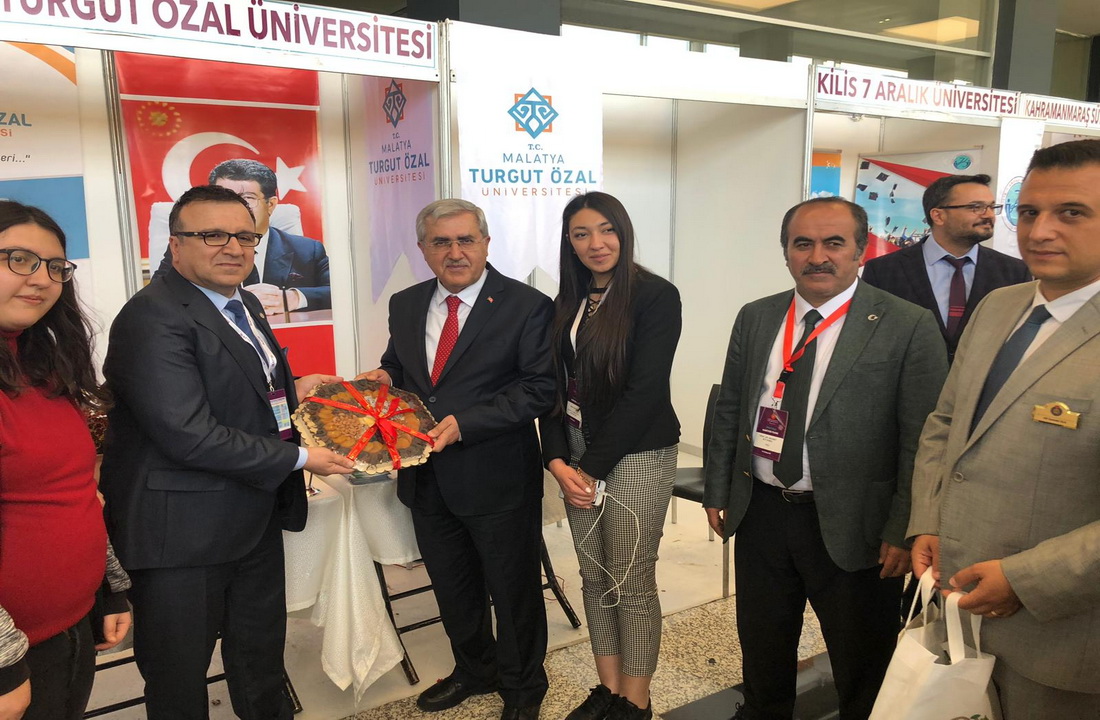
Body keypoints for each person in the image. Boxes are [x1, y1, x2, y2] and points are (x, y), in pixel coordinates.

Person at [100, 185, 354, 720]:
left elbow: (241, 389)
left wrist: (297, 388)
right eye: (212, 235)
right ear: (175, 245)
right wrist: (301, 459)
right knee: (179, 677)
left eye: (245, 236)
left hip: (251, 511)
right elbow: (187, 432)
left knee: (259, 656)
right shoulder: (152, 316)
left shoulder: (244, 302)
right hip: (180, 533)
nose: (233, 248)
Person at [702, 197, 948, 720]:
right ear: (786, 253)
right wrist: (719, 489)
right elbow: (732, 408)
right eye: (803, 244)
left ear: (861, 251)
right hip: (762, 511)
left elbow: (924, 439)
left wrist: (905, 526)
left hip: (857, 523)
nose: (818, 256)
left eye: (834, 243)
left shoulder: (907, 324)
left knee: (862, 661)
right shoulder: (757, 316)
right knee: (763, 647)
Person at [908, 139, 1100, 718]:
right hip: (957, 610)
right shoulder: (998, 306)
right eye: (1030, 212)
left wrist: (1025, 579)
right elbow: (946, 423)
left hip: (1061, 640)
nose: (1040, 231)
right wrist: (928, 519)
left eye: (1072, 213)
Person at [358, 199, 554, 720]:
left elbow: (539, 389)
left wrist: (467, 423)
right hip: (427, 478)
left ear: (486, 243)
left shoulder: (527, 305)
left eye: (466, 239)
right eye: (441, 242)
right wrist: (384, 379)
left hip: (497, 476)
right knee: (452, 587)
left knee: (512, 592)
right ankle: (474, 669)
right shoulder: (405, 303)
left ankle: (523, 688)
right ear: (423, 249)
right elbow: (400, 366)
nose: (455, 252)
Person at [540, 193, 681, 720]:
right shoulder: (566, 301)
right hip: (577, 453)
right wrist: (557, 461)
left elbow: (645, 392)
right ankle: (608, 689)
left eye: (606, 230)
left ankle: (634, 702)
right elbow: (551, 389)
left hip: (637, 452)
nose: (595, 244)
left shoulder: (654, 296)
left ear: (623, 231)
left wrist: (588, 469)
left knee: (630, 579)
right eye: (581, 234)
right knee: (595, 574)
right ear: (569, 242)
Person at [0, 201, 131, 720]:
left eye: (55, 266)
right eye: (19, 259)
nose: (42, 279)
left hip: (67, 630)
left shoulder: (40, 366)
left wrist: (107, 589)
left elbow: (72, 491)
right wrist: (4, 665)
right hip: (14, 655)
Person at [861, 173, 1030, 363]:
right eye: (976, 207)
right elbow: (870, 339)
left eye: (991, 207)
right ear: (938, 216)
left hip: (980, 380)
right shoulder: (883, 271)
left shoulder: (1015, 272)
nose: (989, 215)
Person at [156, 158, 331, 313]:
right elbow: (158, 295)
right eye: (224, 198)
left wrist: (292, 298)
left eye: (247, 198)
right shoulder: (190, 244)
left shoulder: (307, 250)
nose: (234, 208)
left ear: (270, 205)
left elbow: (338, 292)